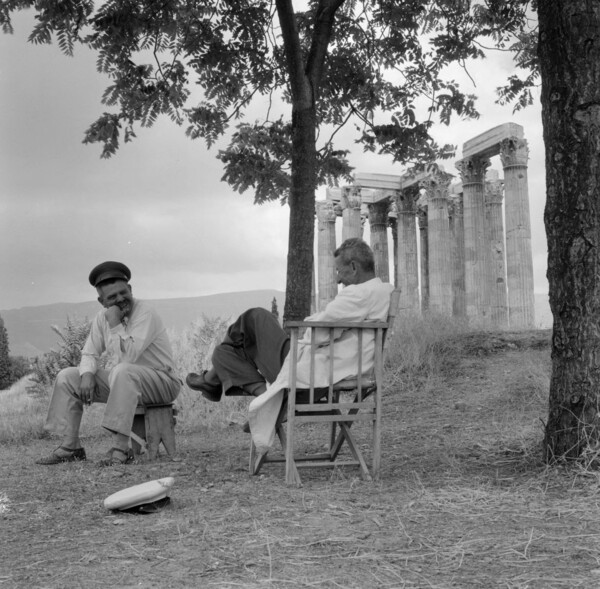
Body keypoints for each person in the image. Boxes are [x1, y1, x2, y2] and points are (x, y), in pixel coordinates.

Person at [186, 238, 394, 453]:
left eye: (339, 271)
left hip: (311, 372)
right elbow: (326, 327)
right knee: (223, 352)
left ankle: (254, 393)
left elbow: (316, 333)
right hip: (329, 369)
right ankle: (227, 385)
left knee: (255, 316)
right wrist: (316, 320)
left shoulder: (358, 294)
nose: (338, 279)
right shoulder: (382, 292)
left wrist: (311, 320)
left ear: (353, 267)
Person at [36, 261, 181, 466]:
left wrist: (115, 323)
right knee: (67, 377)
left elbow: (130, 356)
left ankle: (121, 449)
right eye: (112, 297)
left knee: (122, 371)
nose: (121, 299)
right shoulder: (101, 318)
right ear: (101, 301)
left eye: (123, 292)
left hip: (162, 382)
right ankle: (71, 446)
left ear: (130, 289)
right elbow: (89, 352)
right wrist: (86, 375)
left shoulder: (145, 313)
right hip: (126, 382)